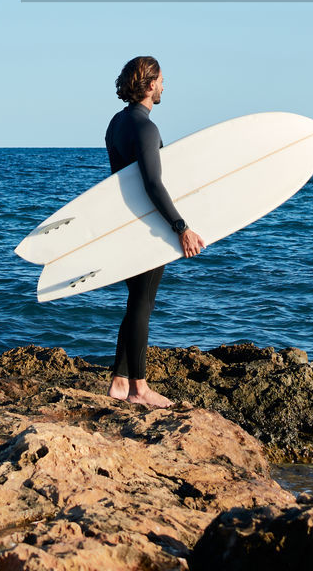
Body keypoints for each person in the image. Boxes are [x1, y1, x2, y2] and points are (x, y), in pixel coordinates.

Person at [105, 56, 205, 407]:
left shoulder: (117, 123)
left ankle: (118, 382)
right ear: (149, 85)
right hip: (149, 226)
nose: (164, 86)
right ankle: (139, 388)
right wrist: (181, 227)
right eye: (161, 80)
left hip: (126, 223)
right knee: (143, 304)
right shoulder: (146, 128)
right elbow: (152, 183)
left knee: (135, 302)